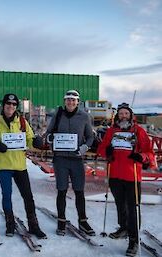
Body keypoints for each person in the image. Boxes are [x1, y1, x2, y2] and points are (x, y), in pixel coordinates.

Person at [0, 93, 47, 239]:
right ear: (3, 105)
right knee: (7, 194)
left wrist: (36, 143)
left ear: (16, 106)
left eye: (14, 104)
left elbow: (29, 139)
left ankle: (34, 225)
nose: (11, 106)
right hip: (3, 165)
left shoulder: (22, 121)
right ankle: (10, 223)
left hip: (19, 165)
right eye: (8, 104)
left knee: (28, 196)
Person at [97, 102, 155, 256]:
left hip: (132, 176)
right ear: (117, 116)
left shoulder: (138, 131)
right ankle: (123, 228)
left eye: (126, 113)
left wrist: (140, 156)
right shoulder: (112, 131)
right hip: (115, 175)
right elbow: (101, 149)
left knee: (133, 209)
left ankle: (134, 240)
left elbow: (150, 153)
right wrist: (107, 151)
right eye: (121, 113)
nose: (123, 116)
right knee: (120, 205)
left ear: (131, 116)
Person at [46, 89, 95, 236]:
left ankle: (83, 221)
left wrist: (84, 148)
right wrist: (50, 139)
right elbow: (49, 133)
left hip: (76, 159)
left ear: (78, 102)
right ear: (64, 101)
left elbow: (90, 137)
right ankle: (61, 221)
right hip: (60, 159)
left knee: (79, 191)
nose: (71, 102)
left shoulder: (84, 116)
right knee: (61, 190)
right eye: (68, 99)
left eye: (74, 100)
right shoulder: (58, 114)